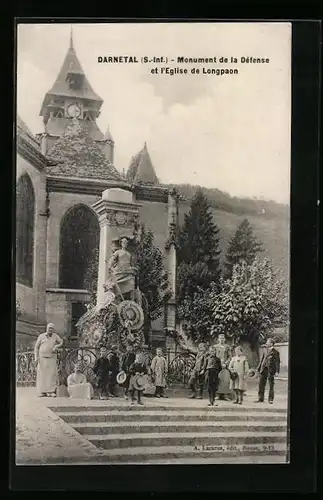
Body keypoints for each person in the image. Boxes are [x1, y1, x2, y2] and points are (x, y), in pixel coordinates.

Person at [34, 323, 63, 397]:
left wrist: (56, 346)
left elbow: (62, 342)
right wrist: (36, 357)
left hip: (52, 357)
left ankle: (51, 391)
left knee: (51, 375)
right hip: (42, 358)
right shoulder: (41, 336)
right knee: (42, 375)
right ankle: (42, 391)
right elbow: (36, 347)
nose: (50, 329)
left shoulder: (55, 336)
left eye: (52, 328)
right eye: (49, 328)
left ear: (53, 330)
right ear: (46, 328)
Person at [256, 338, 280, 404]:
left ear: (271, 344)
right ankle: (260, 398)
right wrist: (258, 368)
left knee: (271, 385)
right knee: (261, 384)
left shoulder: (275, 352)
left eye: (268, 342)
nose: (266, 343)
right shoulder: (264, 350)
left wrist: (277, 371)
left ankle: (270, 399)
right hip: (263, 369)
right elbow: (262, 360)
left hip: (271, 370)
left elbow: (277, 362)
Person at [214, 334, 232, 400]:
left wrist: (226, 363)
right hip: (217, 365)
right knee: (217, 379)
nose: (221, 340)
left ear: (225, 339)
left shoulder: (227, 347)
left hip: (224, 365)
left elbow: (230, 357)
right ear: (218, 339)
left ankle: (225, 395)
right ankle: (218, 395)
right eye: (220, 338)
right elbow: (213, 355)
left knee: (225, 380)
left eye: (223, 338)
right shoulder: (215, 347)